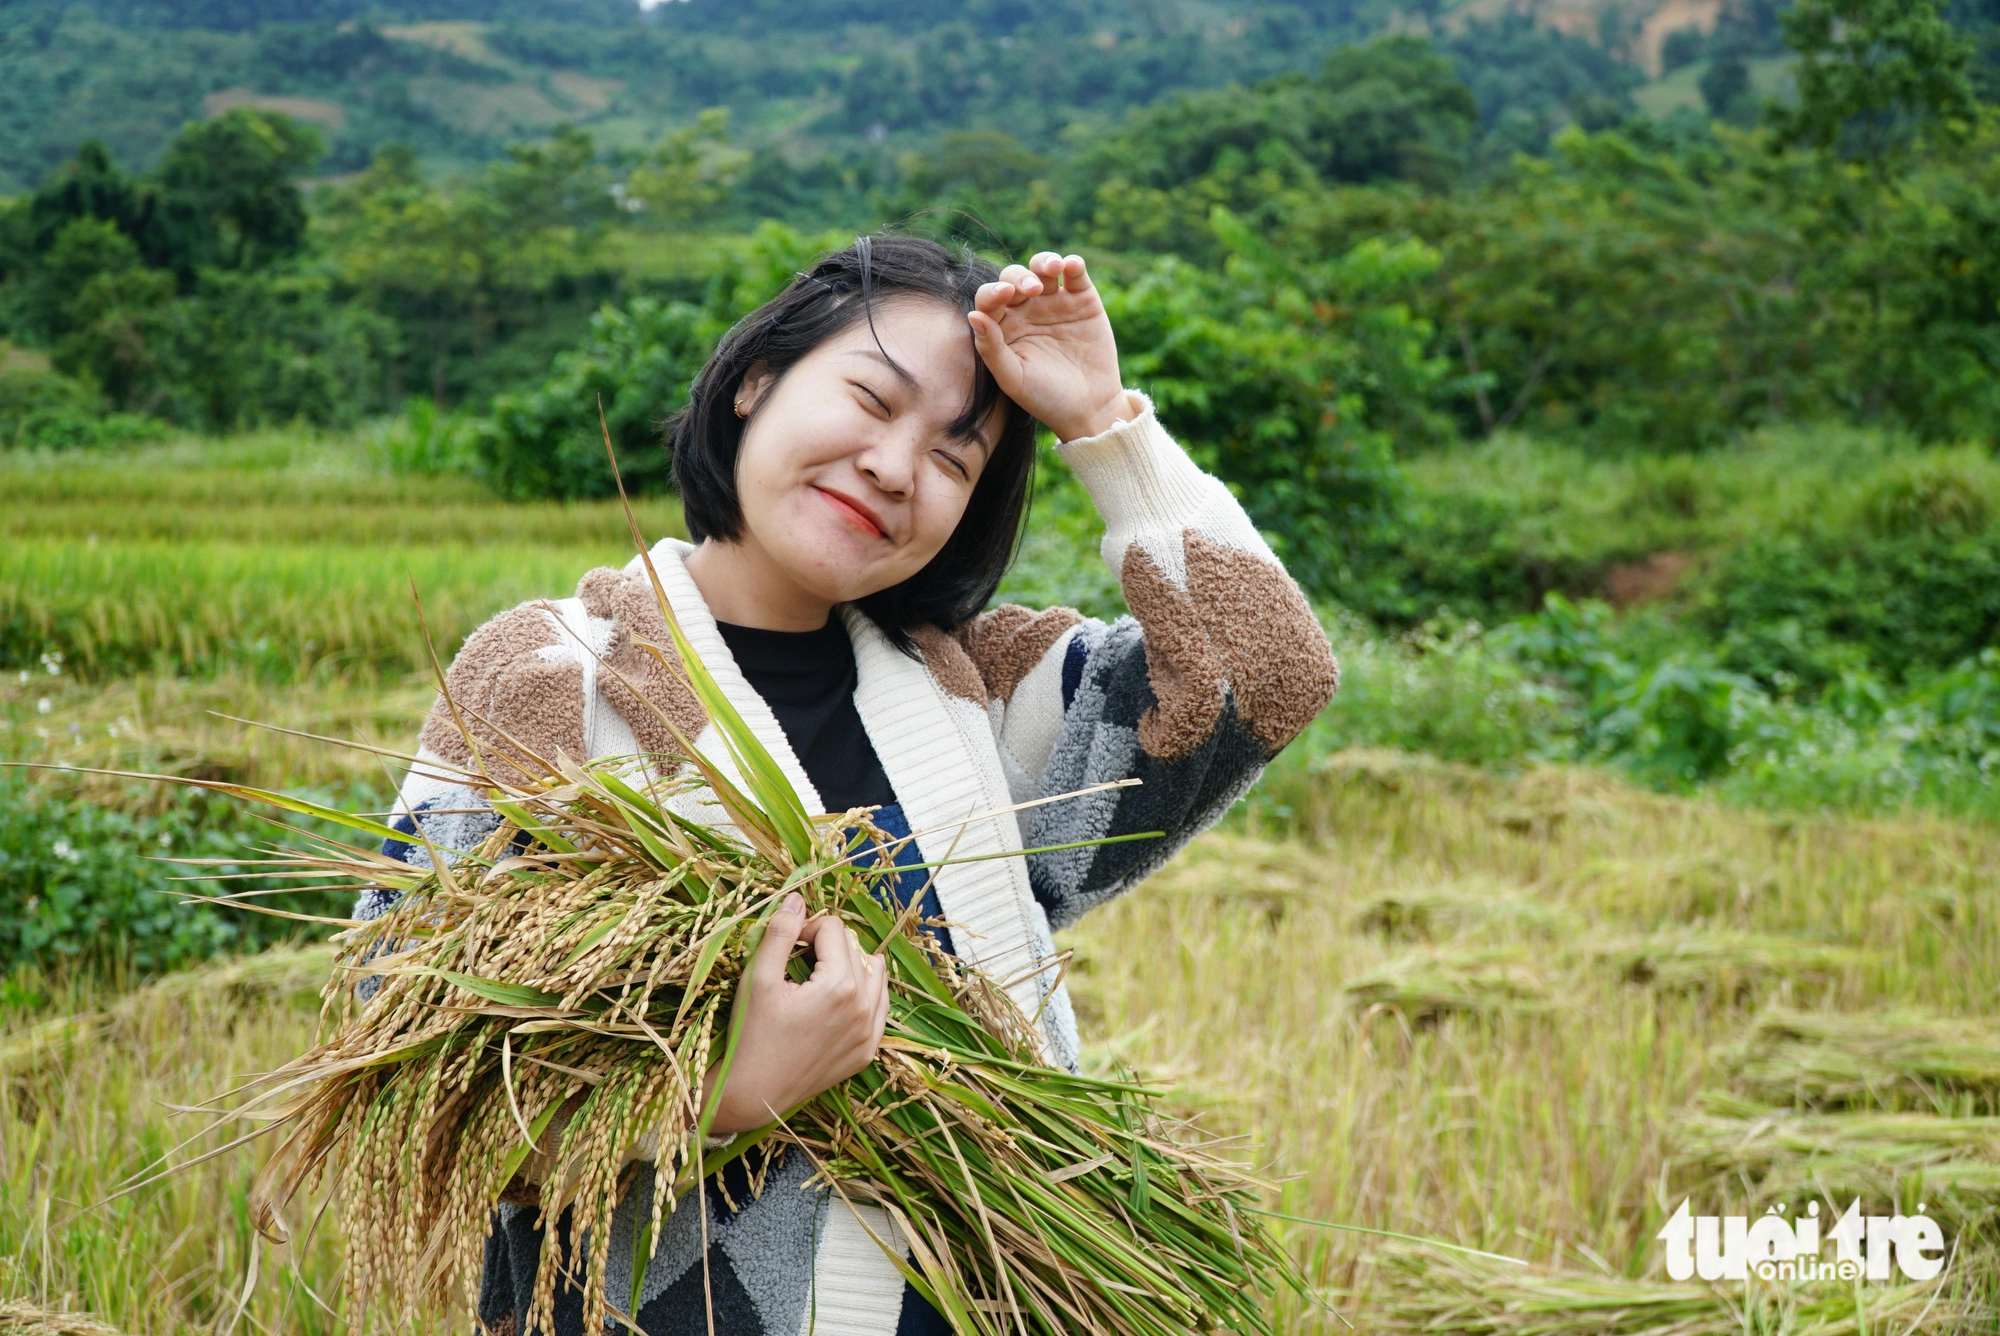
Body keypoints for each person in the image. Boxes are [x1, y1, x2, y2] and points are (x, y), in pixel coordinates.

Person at [361, 233, 1340, 1336]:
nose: (891, 466)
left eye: (952, 458)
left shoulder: (979, 691)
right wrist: (728, 1095)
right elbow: (410, 1078)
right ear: (755, 382)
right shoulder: (550, 681)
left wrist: (1102, 422)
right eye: (870, 401)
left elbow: (1262, 674)